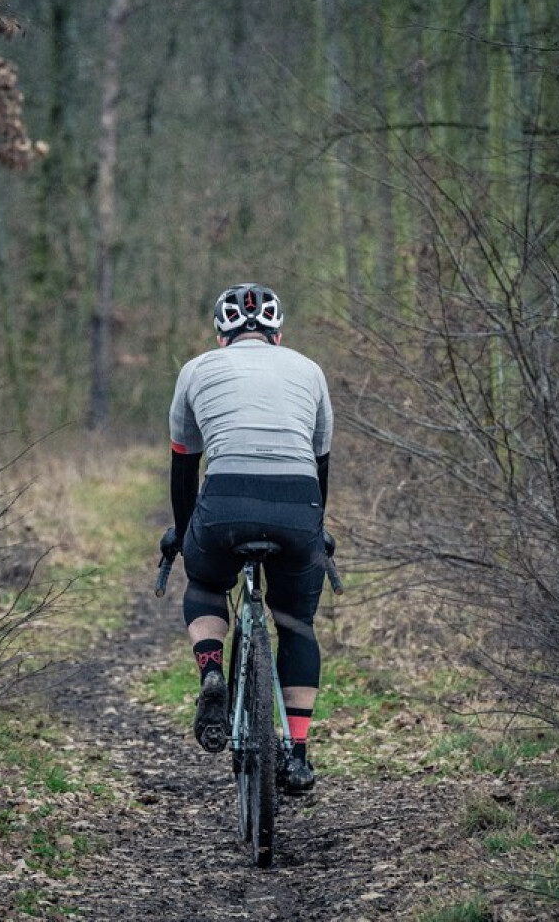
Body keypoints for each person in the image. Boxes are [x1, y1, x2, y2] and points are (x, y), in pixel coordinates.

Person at [161, 282, 334, 794]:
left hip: (224, 504)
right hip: (298, 502)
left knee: (207, 584)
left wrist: (185, 531)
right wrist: (317, 528)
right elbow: (320, 462)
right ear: (278, 334)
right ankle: (298, 754)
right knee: (297, 624)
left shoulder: (195, 370)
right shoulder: (309, 370)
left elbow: (183, 465)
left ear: (221, 335)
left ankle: (211, 670)